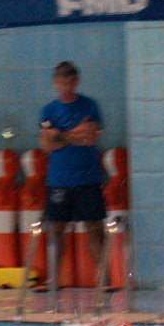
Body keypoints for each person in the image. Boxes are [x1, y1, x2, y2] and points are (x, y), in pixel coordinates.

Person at [38, 61, 106, 290]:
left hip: (88, 177)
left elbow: (91, 137)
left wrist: (61, 136)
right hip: (59, 179)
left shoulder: (89, 105)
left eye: (70, 82)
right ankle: (54, 279)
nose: (66, 86)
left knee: (94, 228)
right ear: (55, 83)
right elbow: (47, 145)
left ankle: (103, 279)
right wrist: (75, 134)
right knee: (56, 229)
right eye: (62, 82)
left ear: (76, 81)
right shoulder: (48, 111)